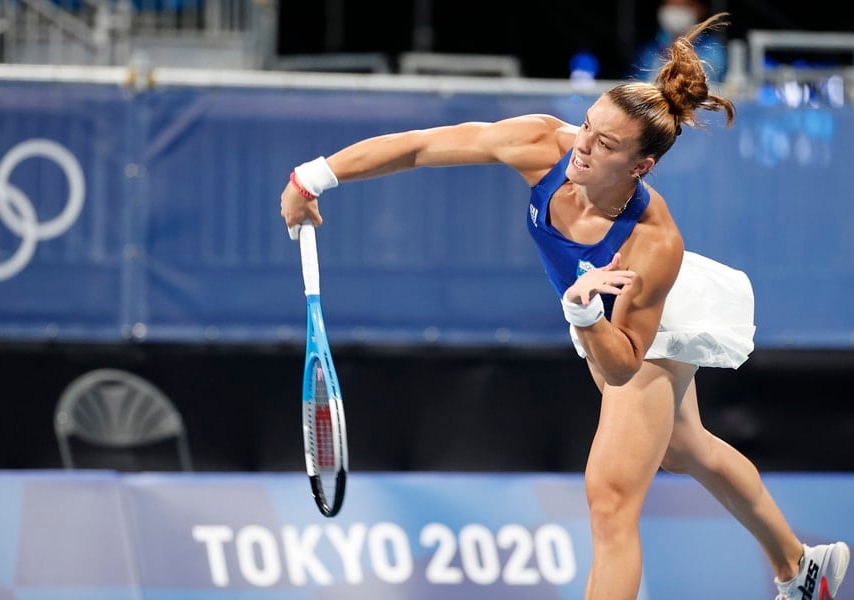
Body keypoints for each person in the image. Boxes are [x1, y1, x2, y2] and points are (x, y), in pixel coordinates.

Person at [280, 14, 849, 600]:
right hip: (599, 312)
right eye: (588, 126)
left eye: (605, 144)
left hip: (645, 324)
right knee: (683, 446)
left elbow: (623, 364)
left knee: (610, 498)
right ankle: (802, 566)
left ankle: (797, 569)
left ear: (640, 166)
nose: (582, 147)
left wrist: (583, 315)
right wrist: (313, 178)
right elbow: (421, 147)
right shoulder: (543, 144)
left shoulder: (652, 242)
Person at [628, 0, 727, 83]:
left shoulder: (713, 51)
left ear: (700, 9)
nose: (675, 11)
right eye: (670, 5)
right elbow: (633, 82)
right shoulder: (649, 49)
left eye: (682, 6)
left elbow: (702, 85)